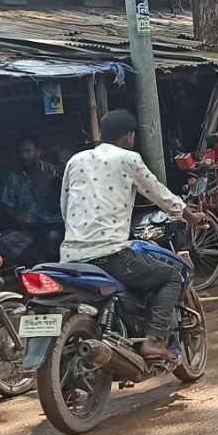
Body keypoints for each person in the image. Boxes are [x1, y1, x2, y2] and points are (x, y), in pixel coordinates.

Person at [61, 110, 205, 363]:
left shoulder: (76, 159)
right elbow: (158, 192)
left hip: (70, 256)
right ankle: (154, 340)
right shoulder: (128, 158)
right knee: (172, 276)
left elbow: (64, 205)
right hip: (110, 253)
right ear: (128, 136)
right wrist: (188, 215)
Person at [1, 138, 63, 262]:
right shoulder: (14, 177)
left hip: (54, 224)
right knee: (5, 241)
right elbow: (8, 205)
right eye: (20, 152)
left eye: (28, 151)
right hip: (28, 229)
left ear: (39, 151)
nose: (24, 156)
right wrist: (18, 217)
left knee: (52, 238)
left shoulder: (53, 171)